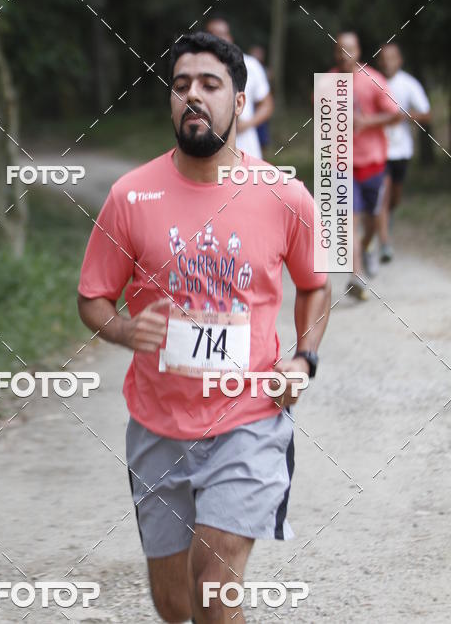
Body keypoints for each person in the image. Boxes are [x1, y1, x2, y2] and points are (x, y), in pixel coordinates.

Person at [77, 31, 331, 623]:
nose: (193, 96)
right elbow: (93, 299)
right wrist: (122, 331)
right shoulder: (130, 195)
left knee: (213, 588)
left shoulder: (283, 195)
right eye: (181, 85)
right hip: (157, 425)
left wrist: (303, 358)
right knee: (174, 606)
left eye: (210, 85)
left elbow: (315, 285)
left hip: (249, 419)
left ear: (240, 102)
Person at [332, 32, 401, 300]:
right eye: (339, 51)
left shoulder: (373, 80)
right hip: (341, 166)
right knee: (349, 220)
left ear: (358, 52)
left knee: (372, 221)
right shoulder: (328, 82)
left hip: (372, 162)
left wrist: (366, 123)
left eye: (348, 50)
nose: (343, 55)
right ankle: (356, 274)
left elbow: (396, 116)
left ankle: (366, 247)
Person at [376, 43, 431, 262]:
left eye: (391, 58)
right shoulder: (374, 83)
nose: (387, 63)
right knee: (383, 193)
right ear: (379, 62)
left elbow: (427, 114)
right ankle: (384, 243)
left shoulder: (409, 84)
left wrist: (404, 116)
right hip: (379, 151)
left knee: (394, 197)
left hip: (402, 150)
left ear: (399, 60)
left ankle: (386, 219)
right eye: (383, 59)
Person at [204, 18, 274, 159]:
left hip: (247, 149)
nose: (218, 38)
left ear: (230, 37)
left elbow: (268, 105)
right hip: (209, 153)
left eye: (223, 33)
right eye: (213, 34)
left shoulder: (251, 65)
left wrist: (246, 124)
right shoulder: (196, 68)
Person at [249, 44, 272, 151]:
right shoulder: (247, 67)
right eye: (255, 53)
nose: (257, 56)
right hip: (250, 108)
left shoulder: (265, 70)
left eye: (259, 53)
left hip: (260, 109)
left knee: (262, 136)